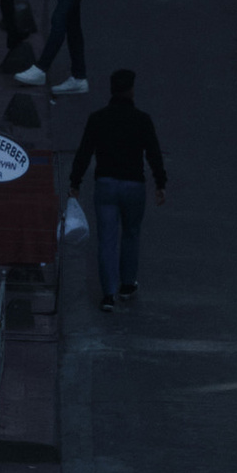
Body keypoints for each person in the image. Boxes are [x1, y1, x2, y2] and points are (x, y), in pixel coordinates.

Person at [66, 70, 169, 312]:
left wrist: (75, 182)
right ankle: (127, 285)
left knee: (107, 239)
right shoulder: (142, 120)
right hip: (134, 186)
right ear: (131, 90)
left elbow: (84, 152)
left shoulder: (98, 118)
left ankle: (108, 295)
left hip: (106, 185)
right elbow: (153, 153)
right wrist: (160, 183)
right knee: (131, 234)